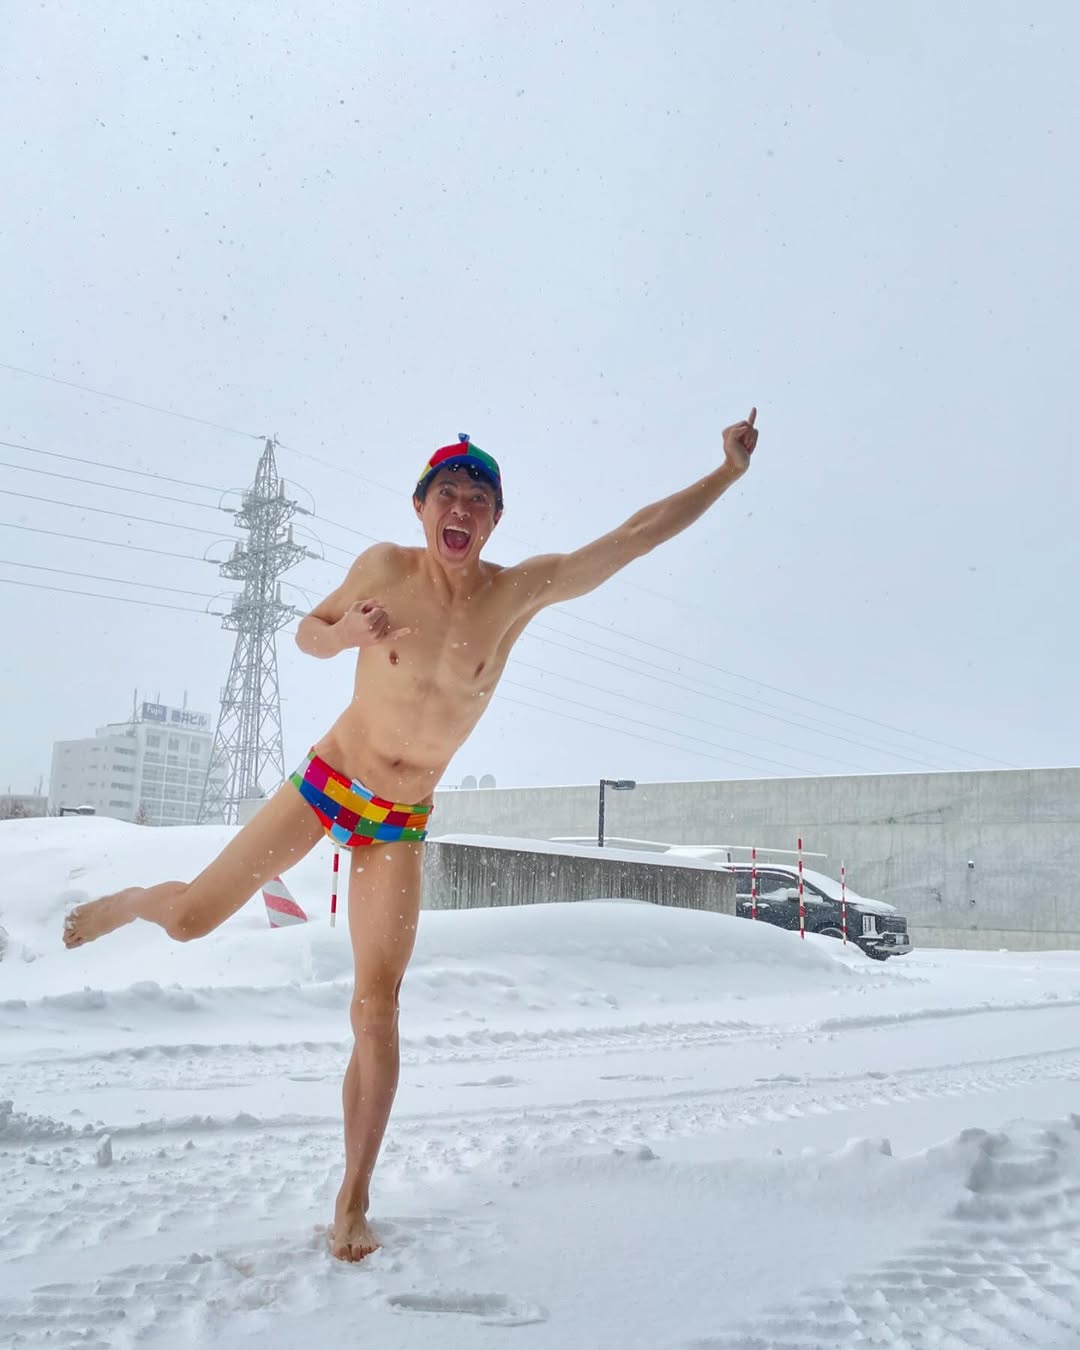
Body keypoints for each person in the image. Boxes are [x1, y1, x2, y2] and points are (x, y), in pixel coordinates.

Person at [63, 410, 760, 1260]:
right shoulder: (384, 570)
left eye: (478, 498)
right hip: (329, 781)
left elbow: (633, 537)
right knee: (188, 920)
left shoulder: (517, 593)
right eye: (447, 494)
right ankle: (130, 902)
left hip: (400, 820)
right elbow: (308, 632)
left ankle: (352, 1200)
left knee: (378, 1009)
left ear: (495, 519)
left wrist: (725, 473)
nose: (460, 508)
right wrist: (345, 635)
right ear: (421, 506)